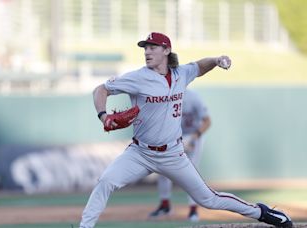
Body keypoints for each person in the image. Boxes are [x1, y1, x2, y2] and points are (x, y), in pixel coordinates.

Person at [79, 32, 292, 228]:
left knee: (209, 199)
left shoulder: (182, 74)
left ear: (166, 50)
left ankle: (262, 212)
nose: (147, 51)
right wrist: (103, 115)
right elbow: (101, 90)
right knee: (106, 181)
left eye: (153, 47)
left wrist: (217, 61)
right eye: (145, 48)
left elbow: (200, 66)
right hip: (140, 153)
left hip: (173, 153)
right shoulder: (137, 77)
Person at [148, 89, 211, 222]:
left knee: (191, 173)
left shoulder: (193, 96)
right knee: (163, 169)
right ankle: (165, 205)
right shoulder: (165, 96)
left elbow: (207, 121)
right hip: (174, 138)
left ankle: (193, 210)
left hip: (193, 137)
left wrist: (195, 136)